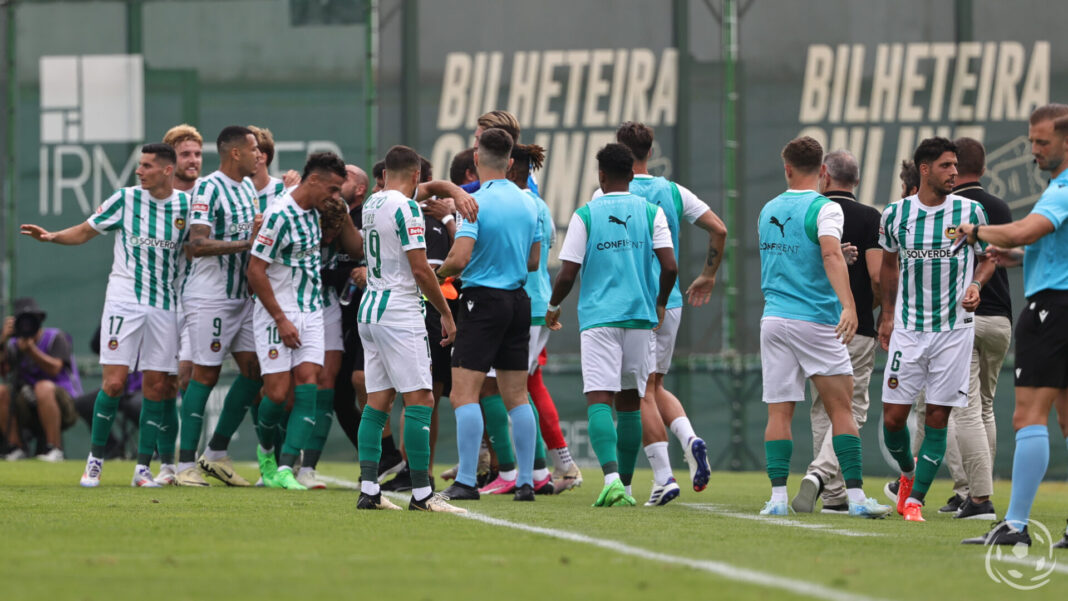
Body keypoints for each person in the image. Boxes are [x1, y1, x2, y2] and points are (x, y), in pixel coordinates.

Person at [21, 143, 192, 488]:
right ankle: (95, 461)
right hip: (124, 302)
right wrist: (53, 236)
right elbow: (85, 230)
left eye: (146, 166)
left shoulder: (187, 207)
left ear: (166, 170)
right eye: (139, 165)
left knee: (157, 389)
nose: (139, 171)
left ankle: (143, 469)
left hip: (166, 305)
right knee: (113, 383)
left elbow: (200, 246)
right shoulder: (125, 199)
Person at [756, 136, 889, 518]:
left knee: (778, 415)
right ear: (822, 171)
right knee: (842, 410)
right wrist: (849, 304)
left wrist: (834, 256)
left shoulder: (767, 210)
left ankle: (778, 499)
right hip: (814, 321)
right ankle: (857, 499)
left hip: (774, 320)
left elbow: (800, 255)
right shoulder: (825, 207)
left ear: (787, 168)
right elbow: (829, 251)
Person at [960, 104, 1068, 548]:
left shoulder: (1061, 190)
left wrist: (976, 232)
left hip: (1052, 311)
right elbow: (1045, 245)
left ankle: (1016, 525)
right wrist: (1020, 257)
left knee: (1028, 416)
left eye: (1042, 142)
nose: (1034, 151)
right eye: (1031, 141)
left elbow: (1026, 229)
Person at [545, 142, 675, 508]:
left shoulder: (585, 214)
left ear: (600, 176)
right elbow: (671, 267)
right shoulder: (652, 212)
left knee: (600, 398)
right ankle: (629, 489)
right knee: (631, 402)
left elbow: (567, 272)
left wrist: (554, 307)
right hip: (639, 317)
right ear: (632, 175)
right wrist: (660, 302)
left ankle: (613, 480)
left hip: (600, 319)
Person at [609, 121, 727, 504]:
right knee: (655, 385)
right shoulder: (672, 191)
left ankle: (663, 477)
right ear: (650, 149)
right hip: (670, 300)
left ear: (619, 152)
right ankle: (689, 439)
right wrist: (708, 274)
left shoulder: (609, 192)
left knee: (640, 391)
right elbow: (719, 230)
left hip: (635, 306)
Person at [879, 137, 994, 522]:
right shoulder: (896, 214)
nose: (954, 173)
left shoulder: (970, 210)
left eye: (956, 166)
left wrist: (976, 283)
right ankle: (908, 474)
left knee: (937, 419)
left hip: (954, 332)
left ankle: (915, 502)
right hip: (909, 330)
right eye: (946, 166)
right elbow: (889, 266)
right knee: (893, 419)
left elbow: (989, 258)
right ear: (925, 169)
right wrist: (887, 314)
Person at [354, 145, 464, 513]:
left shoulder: (374, 203)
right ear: (416, 175)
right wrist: (447, 314)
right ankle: (423, 495)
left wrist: (452, 190)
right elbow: (420, 270)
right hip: (399, 310)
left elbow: (425, 191)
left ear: (385, 175)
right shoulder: (407, 208)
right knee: (421, 400)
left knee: (377, 402)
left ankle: (369, 490)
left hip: (370, 308)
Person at [437, 127, 540, 502]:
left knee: (464, 395)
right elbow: (532, 261)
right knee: (517, 396)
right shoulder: (530, 203)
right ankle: (526, 481)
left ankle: (466, 480)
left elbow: (459, 258)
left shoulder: (473, 202)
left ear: (477, 158)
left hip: (481, 301)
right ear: (511, 162)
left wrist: (435, 276)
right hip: (518, 300)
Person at [246, 152, 358, 490]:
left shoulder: (317, 213)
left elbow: (351, 246)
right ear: (314, 181)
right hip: (275, 314)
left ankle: (285, 468)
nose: (336, 196)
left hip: (311, 313)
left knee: (311, 381)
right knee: (278, 395)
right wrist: (280, 319)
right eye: (334, 189)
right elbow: (255, 270)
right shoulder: (279, 215)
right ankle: (266, 450)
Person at [791, 150, 882, 514]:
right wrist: (871, 311)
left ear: (825, 176)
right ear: (856, 181)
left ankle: (833, 496)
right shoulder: (869, 217)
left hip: (811, 323)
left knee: (821, 409)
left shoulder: (808, 211)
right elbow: (876, 276)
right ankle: (818, 476)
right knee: (852, 408)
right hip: (853, 325)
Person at [926, 137, 1011, 520]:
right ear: (986, 166)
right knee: (986, 408)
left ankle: (973, 495)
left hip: (964, 318)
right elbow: (1003, 258)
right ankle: (981, 487)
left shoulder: (954, 210)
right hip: (1001, 320)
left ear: (956, 167)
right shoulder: (1001, 207)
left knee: (964, 410)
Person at [179, 126, 264, 488]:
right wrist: (246, 243)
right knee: (205, 375)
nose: (259, 155)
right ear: (234, 153)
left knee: (254, 371)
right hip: (209, 297)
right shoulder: (209, 188)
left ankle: (215, 453)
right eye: (254, 149)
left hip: (242, 298)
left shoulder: (247, 187)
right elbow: (196, 244)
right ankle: (184, 466)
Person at [158, 124, 204, 483]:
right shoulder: (154, 198)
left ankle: (189, 459)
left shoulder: (208, 194)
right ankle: (163, 463)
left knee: (188, 377)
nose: (193, 161)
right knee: (164, 383)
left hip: (198, 300)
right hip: (160, 300)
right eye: (186, 154)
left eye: (197, 154)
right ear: (171, 160)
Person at [0, 298, 81, 462]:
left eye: (31, 320)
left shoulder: (56, 337)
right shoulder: (12, 344)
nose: (27, 326)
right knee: (1, 391)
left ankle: (55, 449)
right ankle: (16, 448)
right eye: (22, 321)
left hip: (64, 404)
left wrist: (31, 351)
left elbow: (54, 369)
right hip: (28, 403)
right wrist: (3, 340)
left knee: (43, 387)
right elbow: (3, 372)